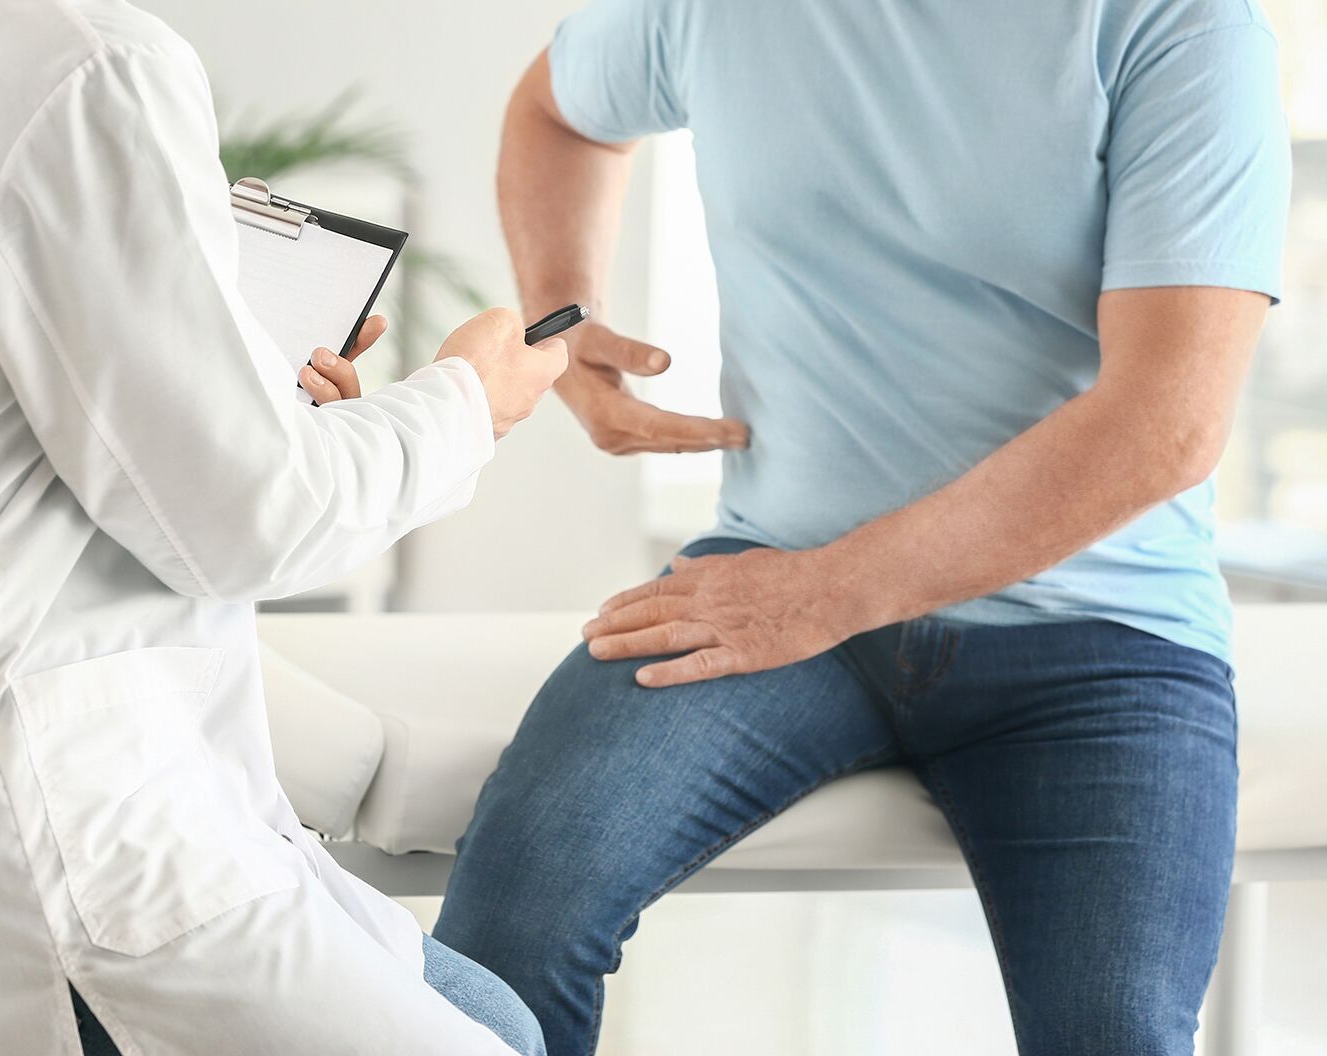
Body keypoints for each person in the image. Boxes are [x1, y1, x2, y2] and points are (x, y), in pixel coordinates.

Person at [432, 1, 1291, 1053]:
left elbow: (1164, 424)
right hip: (772, 574)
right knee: (504, 935)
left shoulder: (1181, 29)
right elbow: (557, 112)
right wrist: (562, 325)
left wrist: (823, 593)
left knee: (1113, 1033)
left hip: (1099, 634)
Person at [0, 0, 565, 1053]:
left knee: (498, 1015)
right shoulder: (83, 67)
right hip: (38, 820)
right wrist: (467, 401)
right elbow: (250, 520)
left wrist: (224, 366)